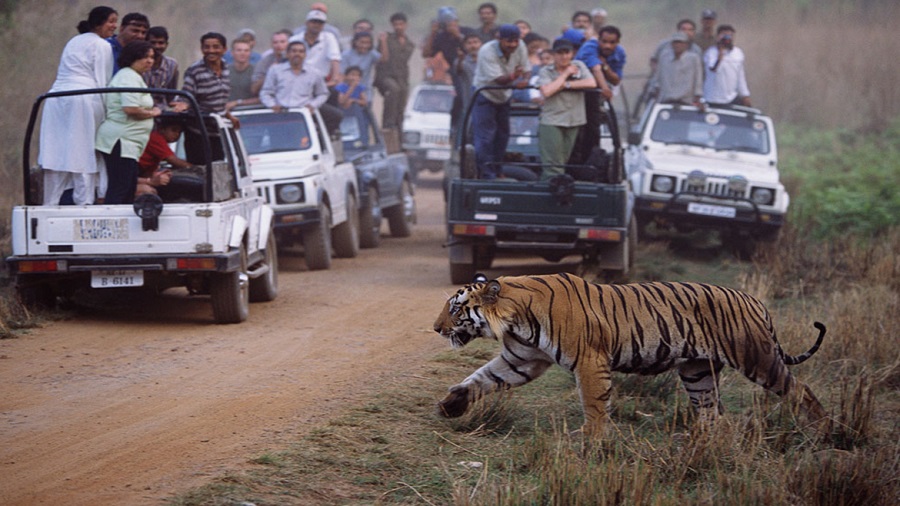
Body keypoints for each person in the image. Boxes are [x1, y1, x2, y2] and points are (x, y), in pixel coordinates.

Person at [41, 6, 118, 206]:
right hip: (82, 98)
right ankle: (84, 205)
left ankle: (49, 205)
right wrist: (106, 114)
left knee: (56, 153)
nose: (114, 26)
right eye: (111, 21)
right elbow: (102, 81)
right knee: (83, 154)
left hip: (55, 98)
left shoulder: (73, 41)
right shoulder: (102, 45)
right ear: (99, 23)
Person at [95, 40, 162, 205]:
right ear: (133, 57)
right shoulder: (128, 76)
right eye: (144, 57)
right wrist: (153, 112)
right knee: (120, 188)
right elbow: (131, 109)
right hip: (121, 141)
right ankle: (113, 225)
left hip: (129, 143)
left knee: (128, 187)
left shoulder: (134, 77)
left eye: (152, 57)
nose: (149, 61)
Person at [470, 24, 529, 180]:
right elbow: (499, 80)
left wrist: (526, 79)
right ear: (499, 39)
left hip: (504, 96)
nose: (513, 45)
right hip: (485, 94)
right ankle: (486, 174)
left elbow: (526, 68)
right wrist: (515, 78)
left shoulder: (520, 46)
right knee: (485, 137)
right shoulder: (486, 51)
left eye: (516, 41)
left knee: (503, 136)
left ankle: (497, 170)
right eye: (509, 41)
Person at [537, 39, 596, 180]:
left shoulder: (579, 66)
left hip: (573, 120)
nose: (564, 57)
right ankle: (549, 193)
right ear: (554, 55)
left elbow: (591, 83)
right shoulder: (546, 71)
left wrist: (566, 84)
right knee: (553, 165)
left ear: (572, 54)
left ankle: (557, 190)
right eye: (560, 53)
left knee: (562, 162)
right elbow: (547, 91)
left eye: (567, 52)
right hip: (553, 120)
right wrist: (564, 75)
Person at [259, 41, 341, 133]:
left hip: (304, 114)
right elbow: (265, 92)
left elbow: (323, 93)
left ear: (305, 55)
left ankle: (321, 139)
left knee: (336, 116)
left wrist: (312, 105)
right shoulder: (275, 70)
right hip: (281, 113)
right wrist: (272, 105)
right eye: (294, 51)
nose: (297, 54)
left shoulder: (314, 73)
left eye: (301, 51)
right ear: (287, 54)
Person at [571, 25, 625, 164]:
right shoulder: (589, 47)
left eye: (612, 43)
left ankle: (589, 164)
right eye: (604, 41)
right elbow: (596, 69)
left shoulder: (620, 53)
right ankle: (572, 164)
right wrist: (605, 88)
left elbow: (616, 79)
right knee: (576, 129)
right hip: (576, 91)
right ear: (598, 40)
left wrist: (605, 66)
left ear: (617, 43)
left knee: (593, 129)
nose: (607, 46)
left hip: (595, 94)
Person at [180, 32, 239, 127]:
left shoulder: (226, 68)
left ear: (224, 49)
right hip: (199, 129)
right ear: (202, 49)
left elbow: (218, 102)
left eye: (216, 47)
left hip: (220, 127)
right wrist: (183, 105)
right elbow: (186, 97)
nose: (211, 51)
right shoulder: (195, 71)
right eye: (206, 47)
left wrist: (230, 117)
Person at [374, 12, 415, 131]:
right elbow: (381, 58)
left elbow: (404, 59)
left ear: (406, 25)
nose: (398, 27)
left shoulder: (409, 44)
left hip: (401, 78)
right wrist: (383, 42)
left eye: (401, 24)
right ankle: (387, 125)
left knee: (401, 104)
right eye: (395, 24)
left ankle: (399, 133)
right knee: (393, 90)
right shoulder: (386, 38)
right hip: (385, 76)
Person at [135, 117, 193, 197]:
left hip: (138, 175)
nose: (176, 135)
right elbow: (173, 160)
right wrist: (194, 168)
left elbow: (148, 173)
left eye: (179, 132)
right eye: (173, 130)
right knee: (149, 192)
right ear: (161, 129)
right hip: (130, 177)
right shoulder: (155, 138)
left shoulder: (160, 144)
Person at [290, 9, 342, 87]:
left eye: (320, 23)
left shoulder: (329, 38)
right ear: (306, 23)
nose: (316, 25)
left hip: (321, 80)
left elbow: (335, 58)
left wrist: (334, 79)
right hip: (298, 79)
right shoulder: (295, 39)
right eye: (313, 22)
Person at [703, 24, 751, 107]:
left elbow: (740, 77)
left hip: (730, 98)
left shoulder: (738, 53)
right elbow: (713, 69)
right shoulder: (711, 52)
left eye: (730, 35)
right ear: (718, 37)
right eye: (724, 35)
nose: (727, 38)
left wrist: (745, 95)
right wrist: (720, 56)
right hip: (711, 98)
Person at [651, 32, 703, 106]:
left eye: (681, 43)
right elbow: (658, 76)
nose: (678, 45)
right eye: (675, 43)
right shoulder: (664, 56)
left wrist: (697, 96)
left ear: (686, 45)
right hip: (666, 99)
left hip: (686, 100)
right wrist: (656, 90)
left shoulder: (693, 58)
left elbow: (698, 79)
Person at [142, 26, 179, 109]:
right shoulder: (139, 63)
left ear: (166, 45)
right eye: (153, 43)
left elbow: (171, 93)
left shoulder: (172, 64)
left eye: (161, 43)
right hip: (142, 107)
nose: (157, 46)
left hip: (162, 109)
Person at [251, 29, 291, 96]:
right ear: (271, 44)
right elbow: (254, 89)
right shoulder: (264, 62)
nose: (279, 45)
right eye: (275, 42)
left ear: (289, 43)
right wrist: (270, 73)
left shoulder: (297, 60)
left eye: (282, 42)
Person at [336, 66, 370, 144]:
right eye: (352, 75)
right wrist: (351, 88)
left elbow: (364, 101)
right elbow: (341, 101)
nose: (354, 78)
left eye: (357, 75)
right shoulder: (341, 87)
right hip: (343, 115)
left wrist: (354, 100)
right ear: (346, 76)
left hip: (355, 115)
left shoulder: (359, 88)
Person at [225, 39, 261, 111]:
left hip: (252, 112)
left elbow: (263, 98)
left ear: (250, 53)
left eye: (246, 50)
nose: (243, 53)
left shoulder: (258, 71)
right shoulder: (224, 71)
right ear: (232, 53)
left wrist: (238, 102)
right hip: (229, 113)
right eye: (239, 50)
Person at [456, 31, 483, 112]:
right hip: (470, 105)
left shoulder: (488, 61)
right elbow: (459, 70)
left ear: (481, 44)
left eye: (475, 42)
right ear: (464, 46)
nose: (473, 46)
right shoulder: (462, 62)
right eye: (469, 43)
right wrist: (460, 60)